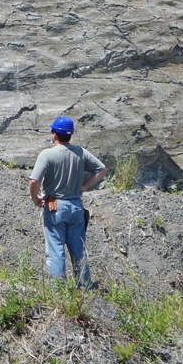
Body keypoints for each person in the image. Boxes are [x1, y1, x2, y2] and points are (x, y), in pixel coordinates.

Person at [29, 116, 106, 288]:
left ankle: (59, 291)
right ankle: (85, 287)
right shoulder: (80, 152)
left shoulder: (47, 155)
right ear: (70, 135)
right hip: (76, 206)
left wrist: (35, 198)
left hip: (54, 206)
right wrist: (84, 187)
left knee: (56, 251)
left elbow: (34, 181)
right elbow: (102, 169)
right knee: (78, 250)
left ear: (54, 134)